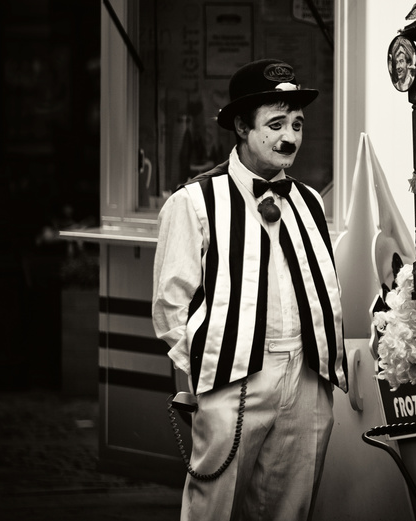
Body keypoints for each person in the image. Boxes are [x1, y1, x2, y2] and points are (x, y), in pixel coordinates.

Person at [153, 58, 346, 521]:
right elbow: (170, 305)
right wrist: (209, 373)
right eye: (275, 124)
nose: (290, 137)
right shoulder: (193, 202)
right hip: (232, 380)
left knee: (290, 508)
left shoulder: (310, 201)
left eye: (297, 124)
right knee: (213, 508)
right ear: (242, 127)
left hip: (306, 375)